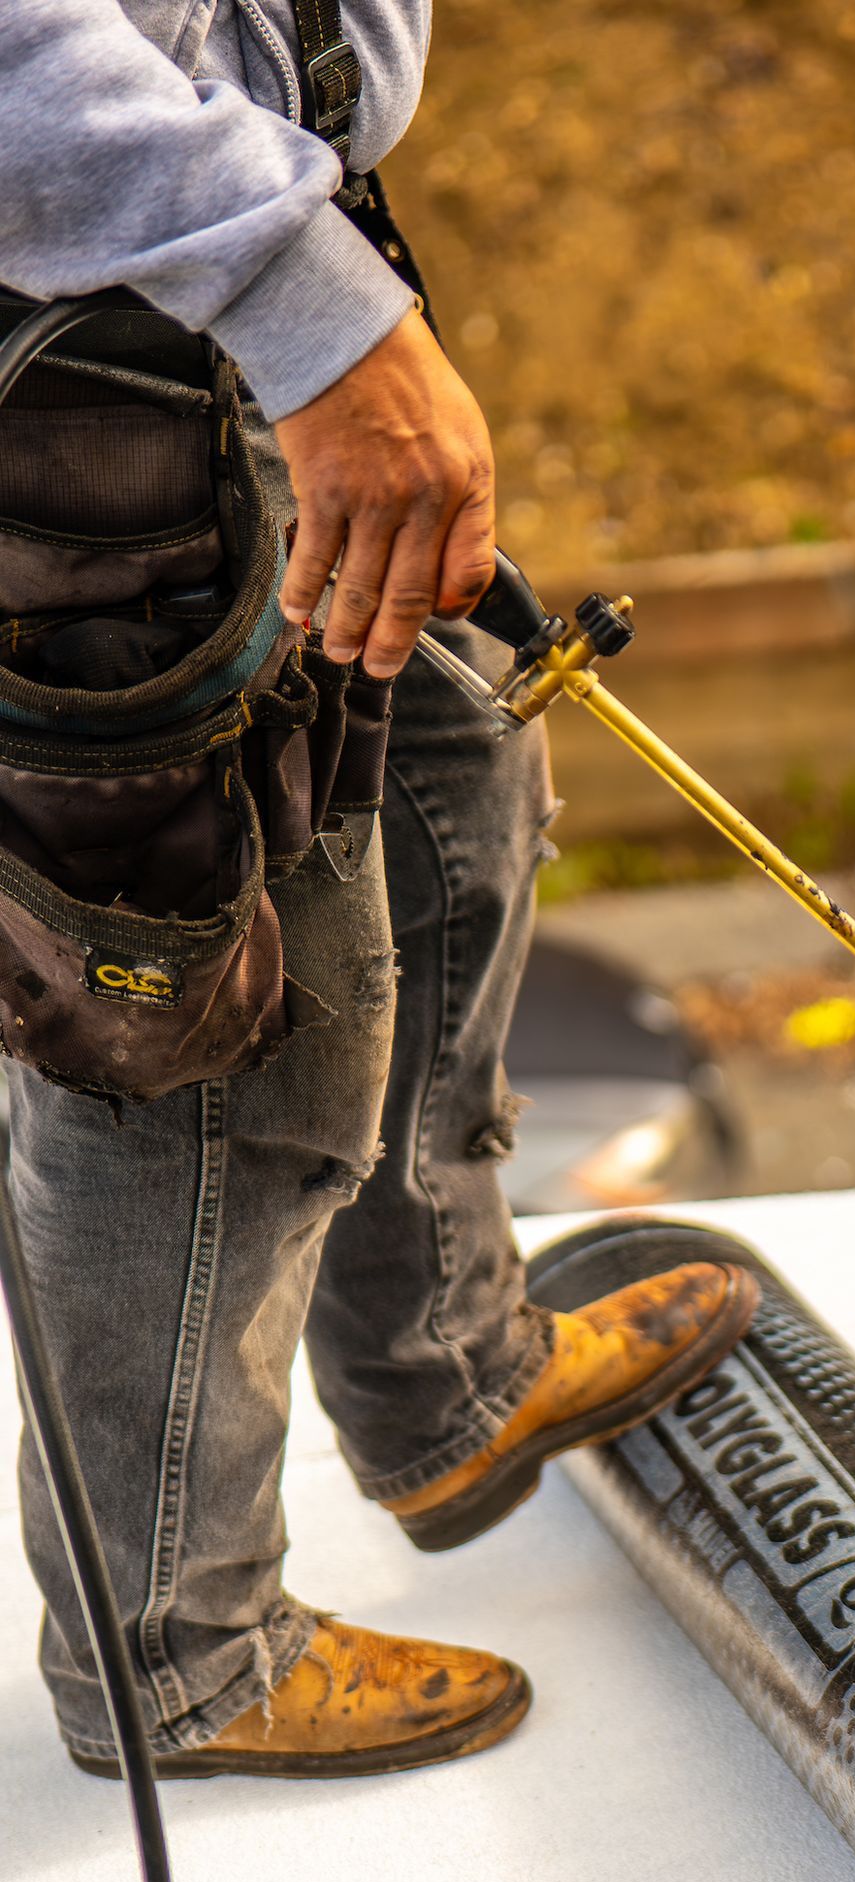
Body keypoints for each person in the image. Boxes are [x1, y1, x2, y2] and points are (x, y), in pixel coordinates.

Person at [0, 2, 757, 1780]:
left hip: (237, 285)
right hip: (78, 361)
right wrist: (302, 304)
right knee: (180, 1002)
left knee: (446, 758)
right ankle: (174, 1655)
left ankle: (443, 1373)